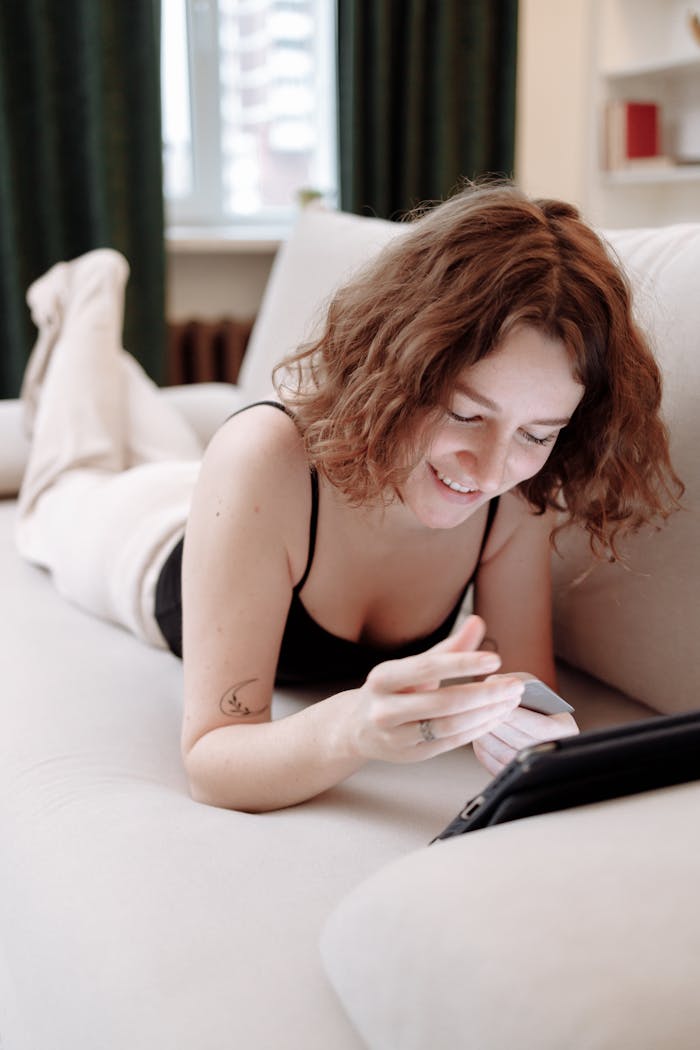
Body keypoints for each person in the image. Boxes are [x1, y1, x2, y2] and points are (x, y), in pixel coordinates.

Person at [16, 182, 682, 813]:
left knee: (153, 443)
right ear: (400, 367)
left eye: (537, 433)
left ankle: (102, 347)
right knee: (72, 470)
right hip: (140, 534)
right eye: (465, 413)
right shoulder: (264, 453)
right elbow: (212, 762)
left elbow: (526, 690)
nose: (490, 469)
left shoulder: (513, 496)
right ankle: (84, 301)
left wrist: (538, 738)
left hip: (230, 511)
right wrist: (353, 728)